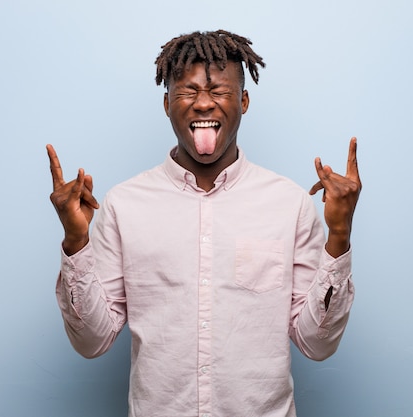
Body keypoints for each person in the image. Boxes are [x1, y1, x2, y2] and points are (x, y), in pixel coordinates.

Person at [47, 29, 361, 417]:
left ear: (244, 101)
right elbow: (92, 342)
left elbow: (317, 344)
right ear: (167, 104)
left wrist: (340, 235)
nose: (203, 104)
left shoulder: (289, 204)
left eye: (219, 91)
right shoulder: (124, 205)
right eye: (188, 91)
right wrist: (76, 240)